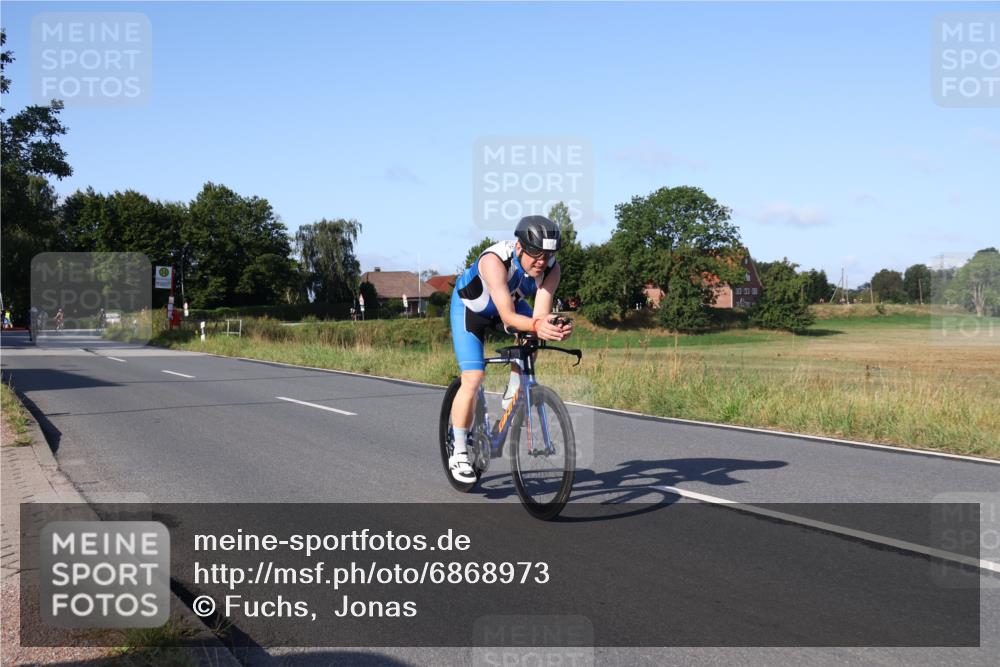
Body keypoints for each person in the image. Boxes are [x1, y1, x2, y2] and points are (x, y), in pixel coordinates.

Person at [448, 215, 573, 483]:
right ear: (519, 248)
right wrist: (538, 325)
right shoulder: (495, 261)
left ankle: (515, 389)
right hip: (471, 311)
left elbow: (539, 316)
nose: (542, 261)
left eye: (548, 254)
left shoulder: (552, 269)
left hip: (511, 309)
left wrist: (555, 326)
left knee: (533, 336)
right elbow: (507, 317)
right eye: (536, 253)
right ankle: (458, 452)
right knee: (473, 378)